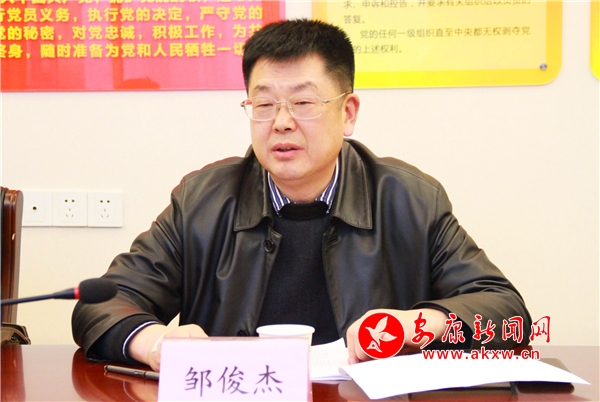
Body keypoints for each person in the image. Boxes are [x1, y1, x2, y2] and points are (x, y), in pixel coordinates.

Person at [72, 18, 531, 371]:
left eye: (303, 102)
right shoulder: (203, 200)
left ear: (347, 113)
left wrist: (411, 326)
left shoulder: (408, 199)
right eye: (264, 103)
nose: (281, 122)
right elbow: (103, 303)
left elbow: (504, 310)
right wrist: (155, 343)